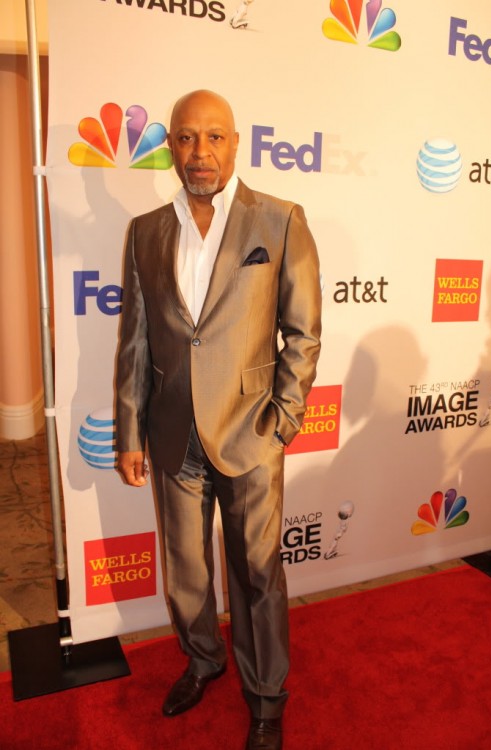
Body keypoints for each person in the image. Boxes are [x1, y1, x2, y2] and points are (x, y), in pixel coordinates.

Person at [115, 89, 321, 750]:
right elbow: (135, 339)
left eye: (214, 137)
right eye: (186, 138)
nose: (200, 152)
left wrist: (281, 421)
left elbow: (304, 333)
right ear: (170, 145)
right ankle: (203, 659)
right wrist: (128, 431)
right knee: (185, 570)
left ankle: (266, 696)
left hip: (250, 431)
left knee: (257, 574)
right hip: (172, 432)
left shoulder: (280, 219)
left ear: (236, 143)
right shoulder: (145, 230)